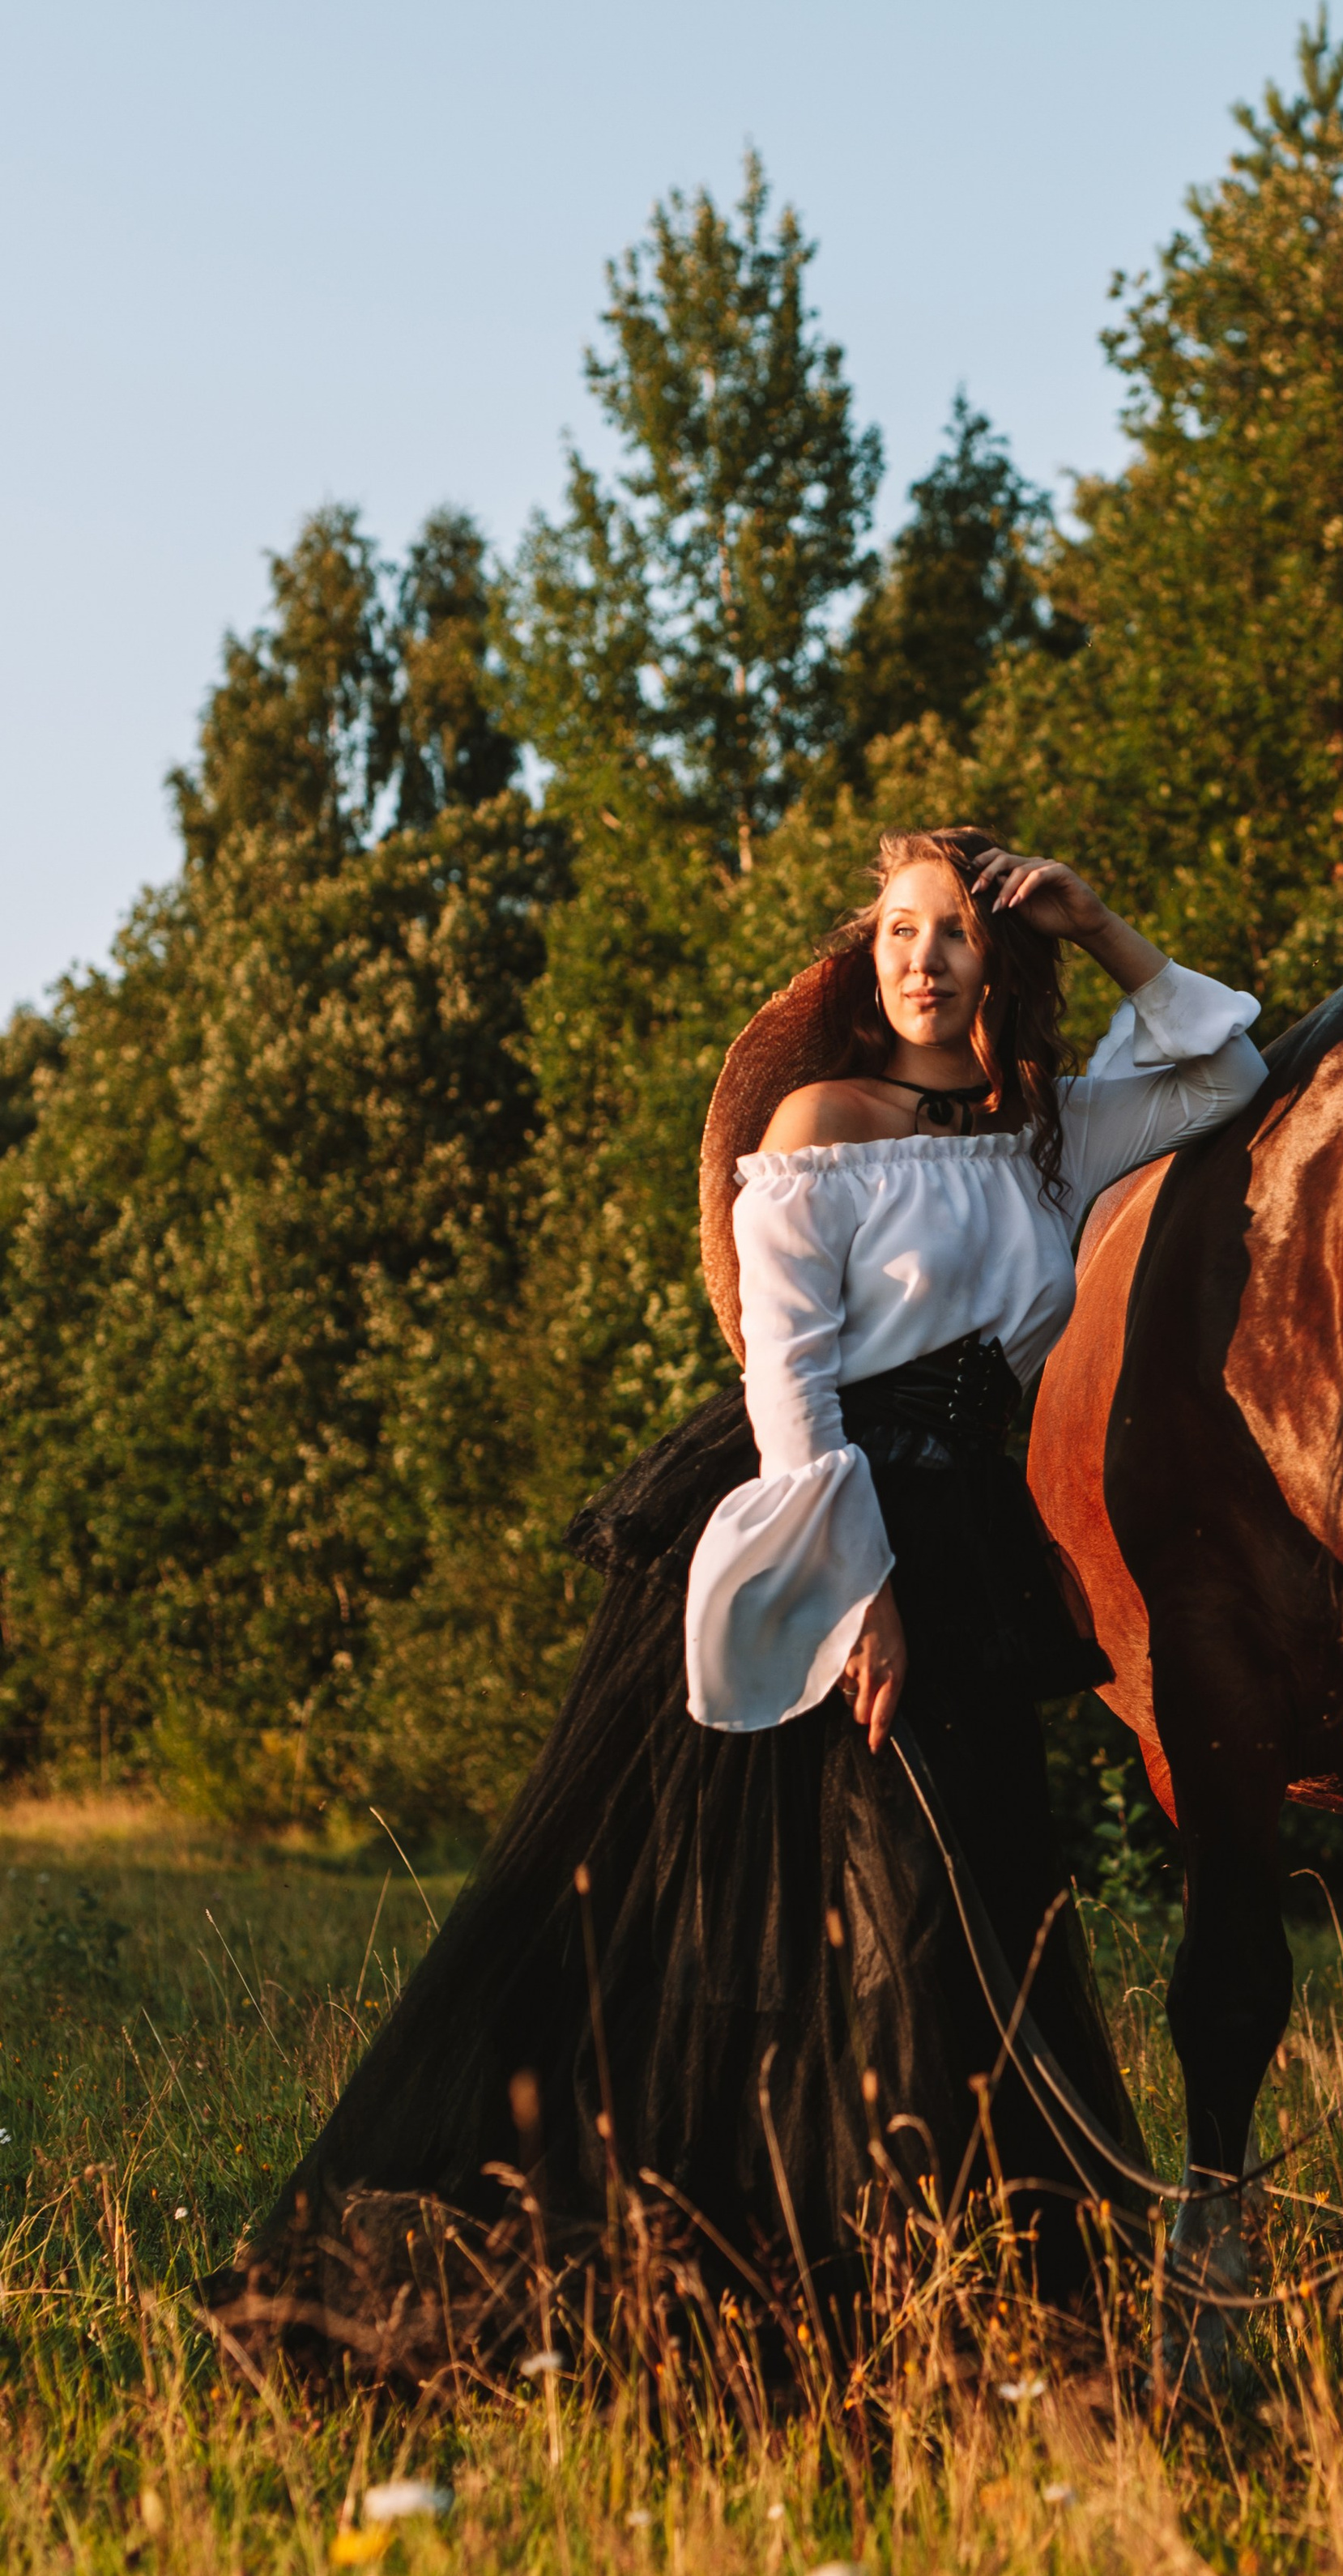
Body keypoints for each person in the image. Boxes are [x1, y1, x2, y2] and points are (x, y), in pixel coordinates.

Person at [209, 828, 1265, 2373]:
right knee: (827, 1918)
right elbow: (788, 1377)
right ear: (867, 953)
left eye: (956, 933)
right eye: (899, 930)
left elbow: (1226, 1076)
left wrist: (1103, 926)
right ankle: (784, 2292)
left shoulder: (1053, 1132)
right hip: (825, 1522)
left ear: (1000, 961)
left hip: (969, 1551)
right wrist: (859, 1592)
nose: (922, 960)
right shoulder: (817, 1124)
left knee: (972, 1917)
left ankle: (952, 2306)